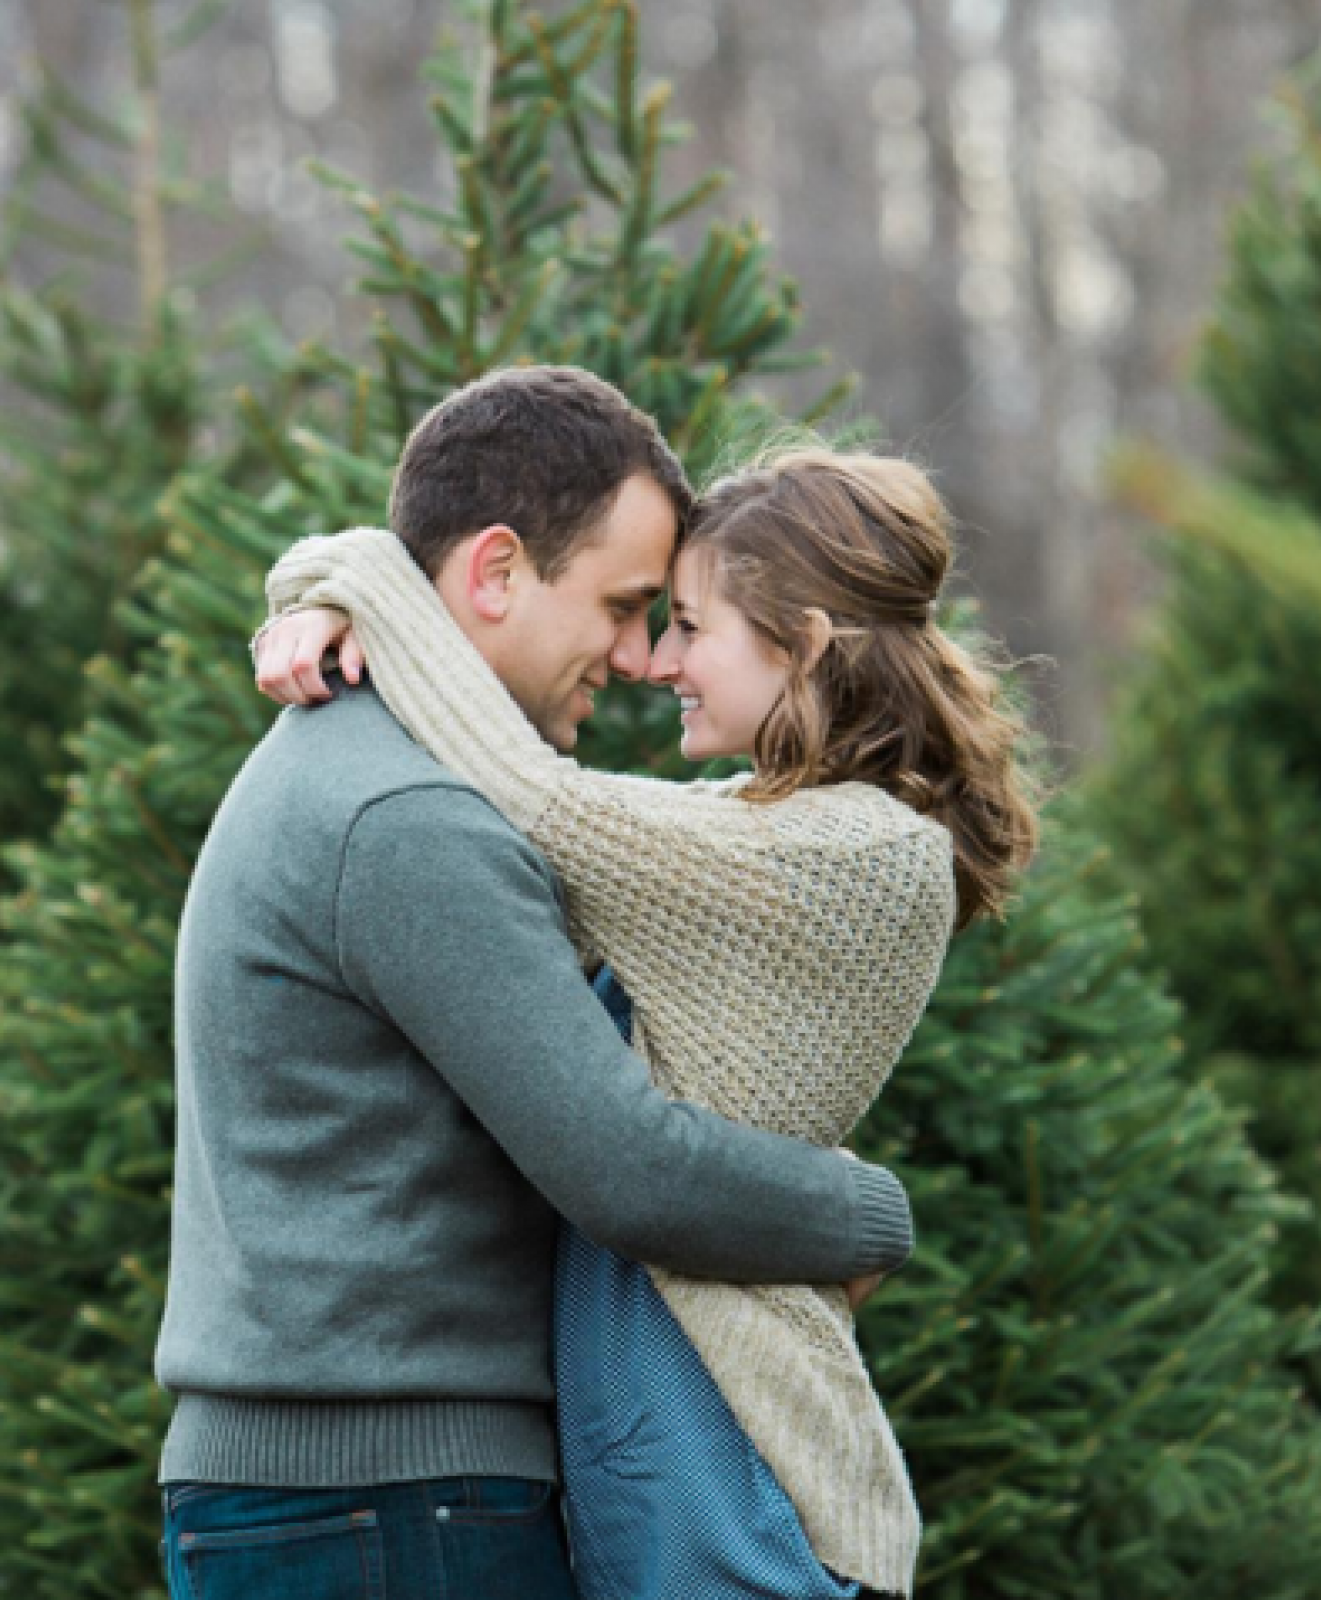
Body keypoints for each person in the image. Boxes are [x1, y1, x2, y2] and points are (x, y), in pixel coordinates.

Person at [154, 366, 918, 1600]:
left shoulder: (370, 761)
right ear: (496, 571)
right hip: (386, 1505)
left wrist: (341, 588)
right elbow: (623, 1161)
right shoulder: (405, 815)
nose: (634, 655)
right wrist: (860, 1212)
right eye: (621, 606)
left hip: (351, 1499)